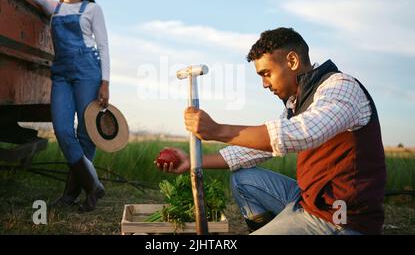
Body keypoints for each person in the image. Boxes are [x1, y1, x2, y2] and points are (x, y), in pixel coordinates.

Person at [157, 27, 387, 235]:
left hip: (340, 218)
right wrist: (193, 162)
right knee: (244, 179)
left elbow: (303, 133)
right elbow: (252, 152)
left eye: (266, 73)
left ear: (293, 61)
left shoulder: (340, 87)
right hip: (309, 201)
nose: (264, 84)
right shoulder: (297, 103)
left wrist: (217, 130)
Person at [11, 0, 110, 212]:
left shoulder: (92, 9)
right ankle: (94, 185)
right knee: (63, 130)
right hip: (62, 75)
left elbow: (103, 47)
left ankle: (70, 195)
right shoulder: (54, 8)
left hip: (88, 71)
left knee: (86, 135)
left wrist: (105, 82)